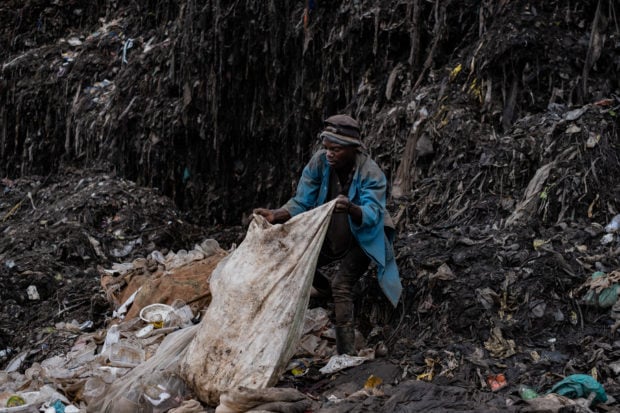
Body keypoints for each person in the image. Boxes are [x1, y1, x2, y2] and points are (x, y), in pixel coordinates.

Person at [254, 114, 402, 355]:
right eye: (327, 148)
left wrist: (352, 209)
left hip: (363, 237)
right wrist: (276, 214)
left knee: (342, 285)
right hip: (330, 231)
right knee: (298, 262)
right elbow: (302, 201)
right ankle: (323, 291)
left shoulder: (370, 173)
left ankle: (346, 354)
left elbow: (373, 214)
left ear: (352, 149)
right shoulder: (319, 163)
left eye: (336, 149)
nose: (330, 154)